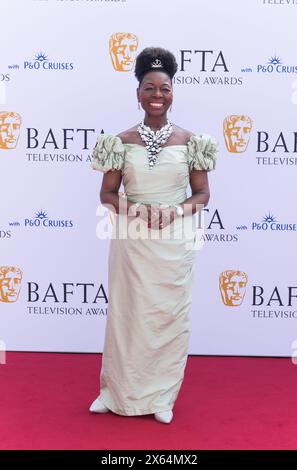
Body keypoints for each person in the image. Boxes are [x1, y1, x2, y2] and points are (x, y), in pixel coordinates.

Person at [90, 47, 218, 424]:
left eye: (164, 88)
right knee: (127, 315)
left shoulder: (192, 142)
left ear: (173, 92)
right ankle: (115, 393)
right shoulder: (119, 140)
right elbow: (107, 194)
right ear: (138, 92)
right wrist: (138, 209)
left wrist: (175, 211)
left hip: (174, 241)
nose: (157, 95)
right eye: (149, 87)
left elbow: (203, 194)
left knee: (166, 316)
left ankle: (161, 395)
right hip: (132, 238)